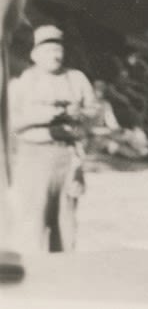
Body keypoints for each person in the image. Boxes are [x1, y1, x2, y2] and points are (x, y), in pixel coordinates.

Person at [8, 25, 98, 252]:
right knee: (33, 225)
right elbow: (10, 122)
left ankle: (64, 280)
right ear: (34, 55)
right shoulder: (23, 82)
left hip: (67, 158)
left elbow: (94, 113)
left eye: (58, 49)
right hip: (34, 158)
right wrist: (48, 115)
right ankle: (36, 280)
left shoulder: (76, 79)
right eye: (48, 50)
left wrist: (80, 116)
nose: (55, 55)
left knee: (66, 226)